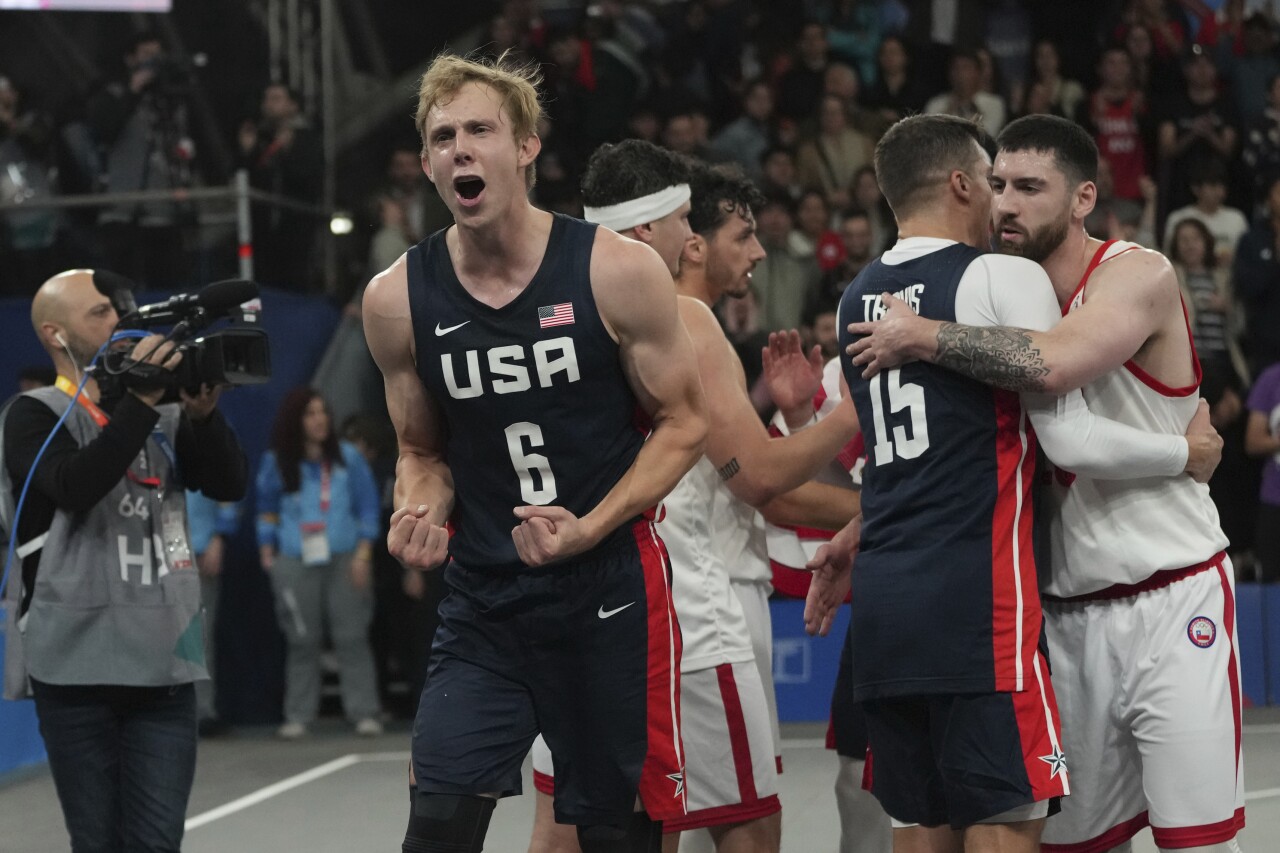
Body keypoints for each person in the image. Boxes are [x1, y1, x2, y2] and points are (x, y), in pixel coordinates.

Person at [842, 113, 1240, 853]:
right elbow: (951, 453)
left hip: (1169, 591)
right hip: (1058, 612)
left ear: (1084, 197)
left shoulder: (1134, 271)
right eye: (997, 185)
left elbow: (1054, 373)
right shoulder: (995, 287)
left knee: (1198, 841)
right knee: (1074, 844)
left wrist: (924, 332)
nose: (1005, 204)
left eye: (1029, 187)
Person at [361, 52, 707, 853]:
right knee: (438, 825)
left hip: (603, 594)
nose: (460, 150)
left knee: (615, 836)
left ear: (525, 146)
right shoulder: (395, 300)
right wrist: (419, 503)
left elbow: (684, 423)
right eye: (443, 136)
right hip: (483, 600)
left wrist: (592, 524)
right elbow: (421, 449)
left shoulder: (615, 270)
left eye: (480, 129)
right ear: (426, 163)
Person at [2, 269, 247, 851]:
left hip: (163, 663)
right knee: (98, 840)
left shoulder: (160, 418)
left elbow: (229, 482)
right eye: (101, 314)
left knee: (157, 842)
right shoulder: (33, 413)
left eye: (121, 308)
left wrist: (203, 417)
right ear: (55, 334)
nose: (121, 320)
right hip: (75, 665)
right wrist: (139, 398)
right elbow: (75, 484)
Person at [256, 387, 384, 739]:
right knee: (301, 640)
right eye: (311, 414)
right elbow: (266, 510)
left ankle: (363, 711)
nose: (320, 420)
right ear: (295, 421)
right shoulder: (278, 461)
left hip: (345, 558)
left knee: (352, 636)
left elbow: (368, 509)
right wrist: (267, 550)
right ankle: (299, 714)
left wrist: (363, 554)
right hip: (295, 559)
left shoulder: (347, 458)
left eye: (323, 412)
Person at [187, 488, 240, 737]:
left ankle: (202, 711)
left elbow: (229, 494)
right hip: (151, 554)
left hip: (199, 550)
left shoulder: (201, 451)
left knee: (198, 636)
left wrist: (219, 537)